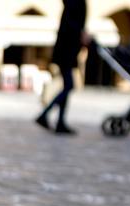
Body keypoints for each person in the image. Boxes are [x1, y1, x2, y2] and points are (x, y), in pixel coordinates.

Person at [36, 0, 87, 135]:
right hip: (67, 52)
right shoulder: (75, 3)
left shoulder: (73, 3)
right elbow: (72, 26)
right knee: (69, 86)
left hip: (67, 51)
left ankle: (60, 122)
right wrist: (82, 34)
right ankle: (45, 115)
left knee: (67, 86)